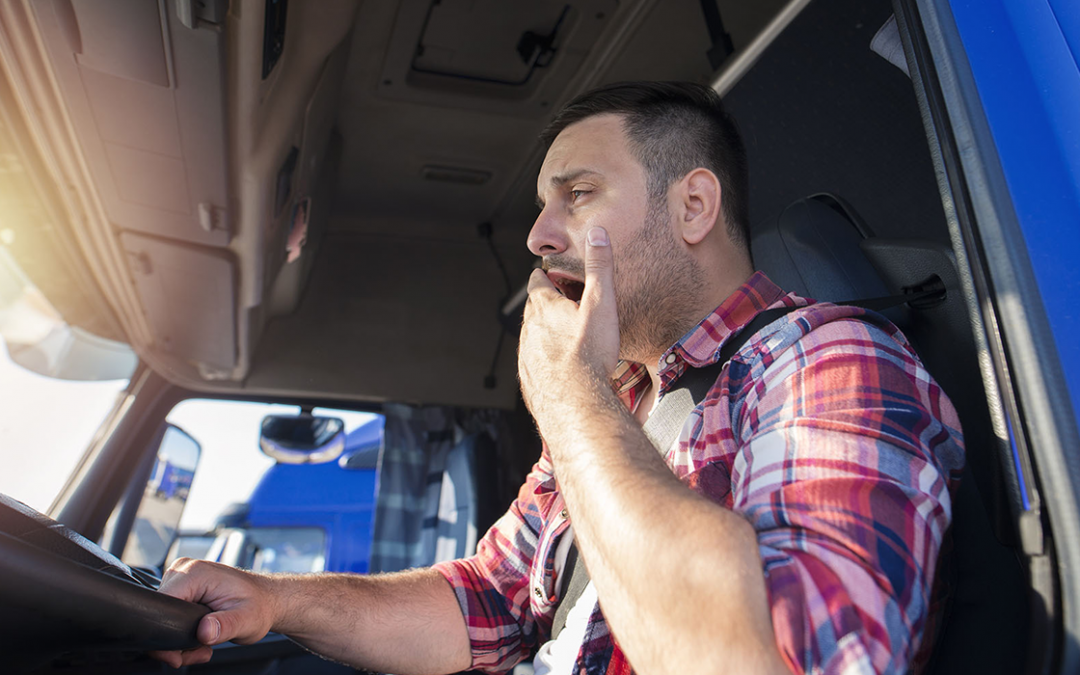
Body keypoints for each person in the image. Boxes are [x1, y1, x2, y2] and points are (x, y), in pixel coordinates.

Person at [152, 82, 964, 675]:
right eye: (542, 207)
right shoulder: (621, 406)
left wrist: (570, 401)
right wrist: (275, 600)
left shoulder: (826, 359)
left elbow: (787, 662)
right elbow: (487, 600)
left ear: (693, 208)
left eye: (578, 195)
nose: (540, 236)